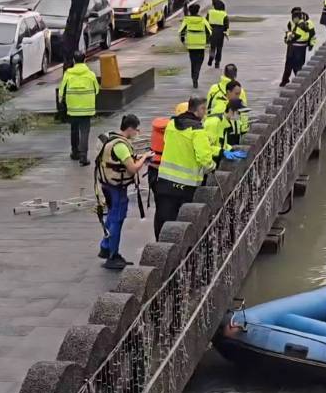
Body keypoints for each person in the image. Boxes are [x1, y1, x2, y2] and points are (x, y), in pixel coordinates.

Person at [95, 115, 154, 269]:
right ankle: (113, 255)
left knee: (112, 215)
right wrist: (145, 158)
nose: (137, 133)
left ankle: (106, 247)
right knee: (117, 219)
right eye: (136, 130)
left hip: (107, 184)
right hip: (117, 188)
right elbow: (133, 168)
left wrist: (138, 157)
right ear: (130, 128)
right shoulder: (120, 145)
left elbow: (123, 159)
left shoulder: (111, 138)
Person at [154, 96, 216, 238]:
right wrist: (212, 166)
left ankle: (160, 246)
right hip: (187, 185)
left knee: (164, 218)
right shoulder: (197, 130)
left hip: (165, 180)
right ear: (198, 109)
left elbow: (166, 142)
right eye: (204, 109)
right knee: (182, 222)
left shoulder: (171, 124)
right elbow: (204, 158)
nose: (205, 113)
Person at [59, 50, 99, 166]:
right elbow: (96, 89)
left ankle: (75, 151)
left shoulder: (68, 74)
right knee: (85, 132)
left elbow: (61, 91)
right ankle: (84, 156)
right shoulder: (90, 74)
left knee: (74, 129)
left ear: (74, 61)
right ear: (85, 59)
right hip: (87, 108)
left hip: (73, 108)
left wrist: (61, 102)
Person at [207, 64, 249, 137]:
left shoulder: (214, 88)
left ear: (224, 73)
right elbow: (244, 112)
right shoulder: (239, 90)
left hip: (216, 127)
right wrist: (244, 129)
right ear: (236, 74)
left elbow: (208, 108)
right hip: (234, 129)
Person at [204, 98, 250, 164]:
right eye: (238, 113)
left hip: (216, 159)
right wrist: (223, 152)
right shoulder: (214, 123)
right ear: (231, 111)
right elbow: (206, 148)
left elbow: (222, 144)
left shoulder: (226, 123)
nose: (239, 116)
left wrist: (231, 150)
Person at [280, 7, 316, 87]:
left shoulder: (304, 24)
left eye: (293, 17)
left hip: (296, 47)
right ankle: (285, 81)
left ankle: (299, 82)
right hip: (296, 46)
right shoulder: (299, 22)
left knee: (296, 65)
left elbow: (296, 36)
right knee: (290, 65)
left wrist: (288, 37)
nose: (292, 19)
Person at [179, 3, 212, 89]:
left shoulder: (186, 20)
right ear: (198, 10)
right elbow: (209, 31)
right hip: (201, 45)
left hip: (191, 44)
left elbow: (181, 31)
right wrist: (208, 41)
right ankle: (196, 75)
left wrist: (183, 40)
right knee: (199, 61)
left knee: (193, 61)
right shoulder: (203, 20)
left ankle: (194, 76)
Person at [206, 0, 229, 68]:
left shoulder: (210, 12)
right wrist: (226, 33)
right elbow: (226, 25)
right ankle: (217, 62)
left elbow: (206, 21)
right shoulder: (224, 14)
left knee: (212, 47)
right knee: (219, 48)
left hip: (212, 31)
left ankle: (211, 58)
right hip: (220, 32)